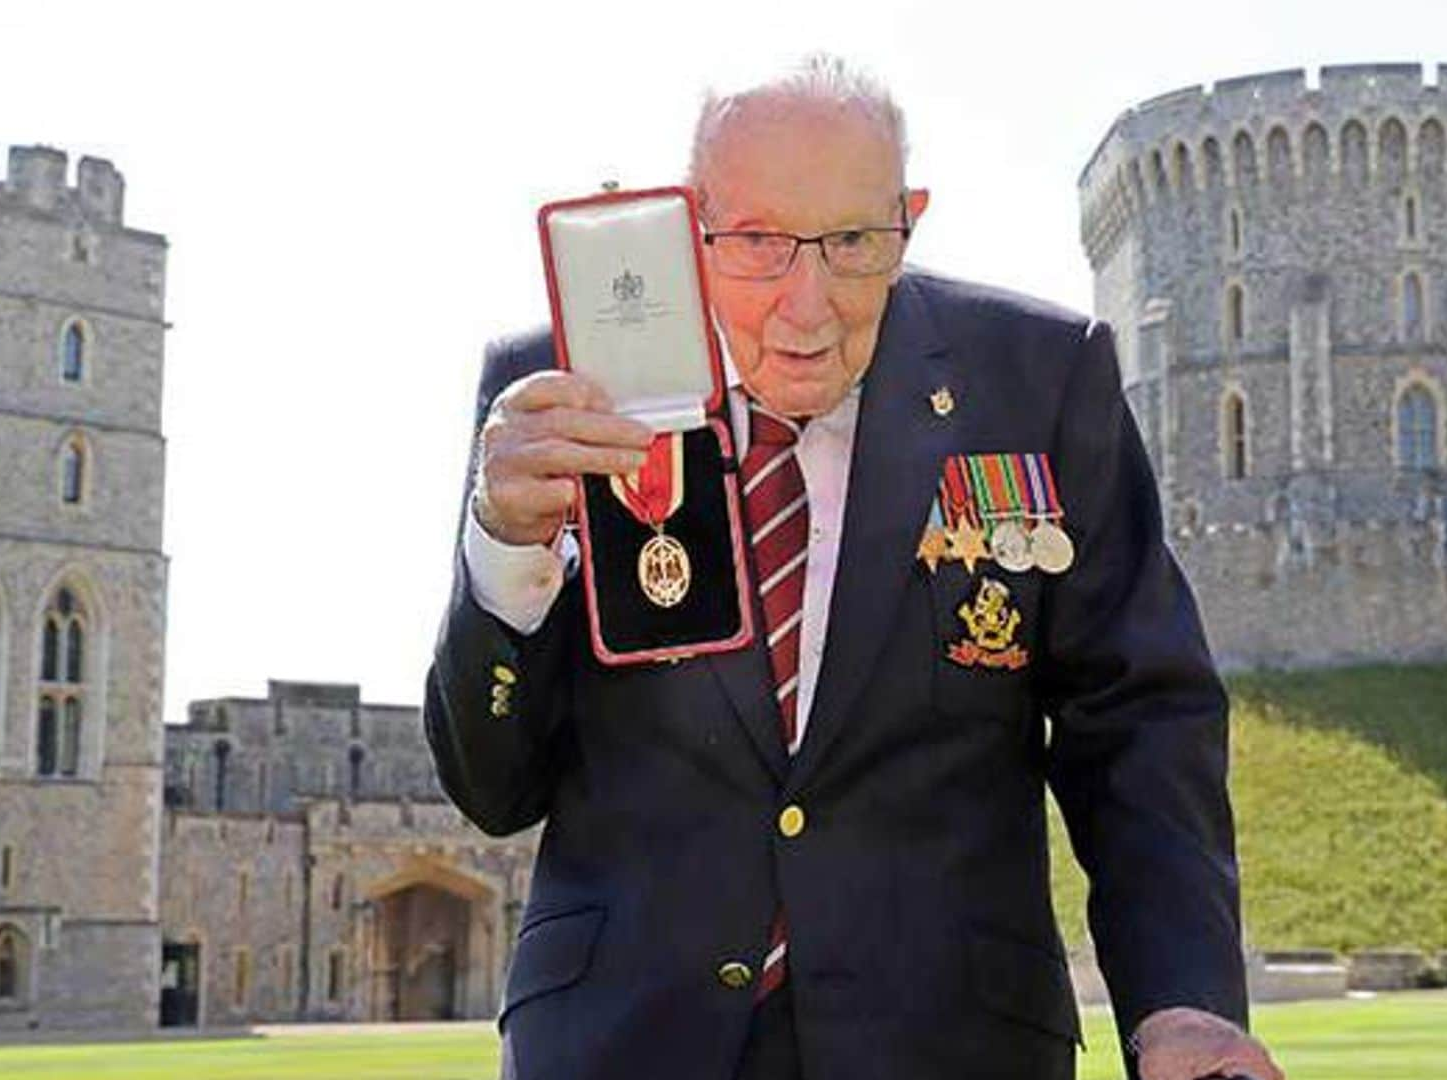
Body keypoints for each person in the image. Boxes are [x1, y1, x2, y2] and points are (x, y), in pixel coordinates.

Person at [424, 55, 1282, 1080]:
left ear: (907, 218)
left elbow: (1142, 720)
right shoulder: (559, 392)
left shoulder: (1039, 380)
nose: (807, 303)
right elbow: (494, 789)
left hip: (952, 1046)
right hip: (620, 1043)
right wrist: (506, 550)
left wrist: (1181, 1002)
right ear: (688, 230)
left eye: (853, 243)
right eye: (756, 243)